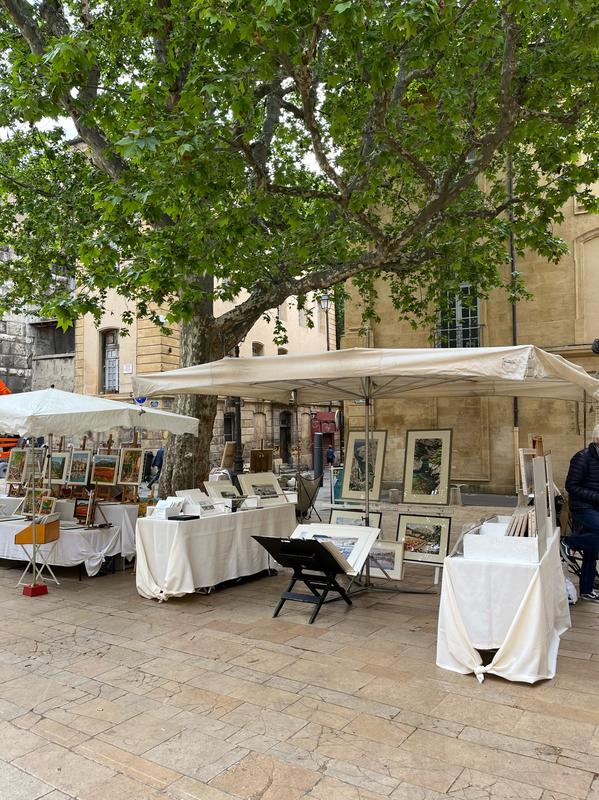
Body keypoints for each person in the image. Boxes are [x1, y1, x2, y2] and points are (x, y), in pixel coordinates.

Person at [564, 425, 599, 602]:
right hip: (581, 507)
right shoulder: (582, 457)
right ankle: (567, 542)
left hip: (595, 507)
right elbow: (570, 486)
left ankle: (586, 589)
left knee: (592, 547)